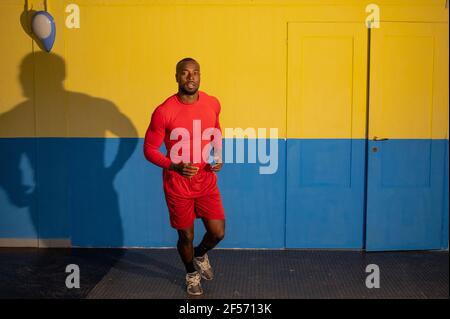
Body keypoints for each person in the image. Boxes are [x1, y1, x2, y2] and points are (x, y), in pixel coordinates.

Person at [143, 58, 226, 295]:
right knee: (186, 235)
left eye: (195, 73)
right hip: (178, 184)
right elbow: (149, 149)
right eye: (185, 73)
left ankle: (201, 254)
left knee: (218, 232)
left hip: (206, 179)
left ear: (200, 76)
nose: (191, 77)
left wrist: (218, 154)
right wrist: (174, 166)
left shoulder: (212, 103)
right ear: (177, 76)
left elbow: (216, 129)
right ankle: (191, 272)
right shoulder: (164, 111)